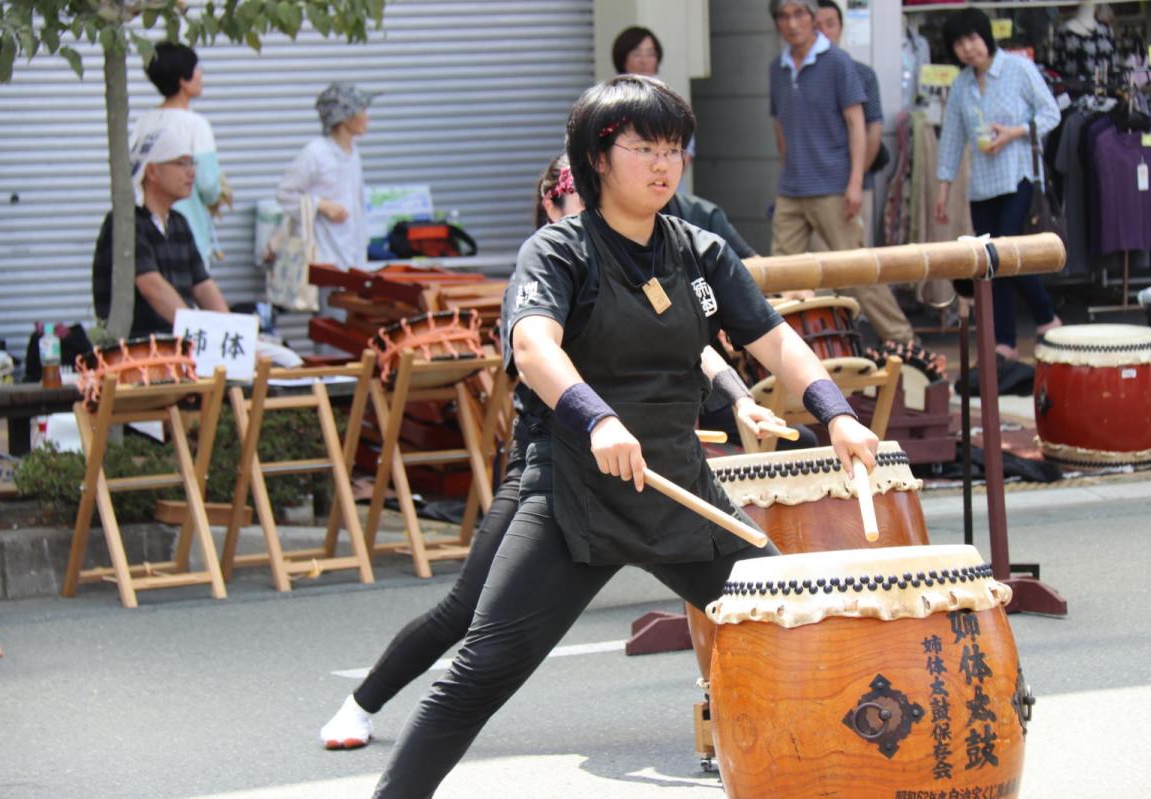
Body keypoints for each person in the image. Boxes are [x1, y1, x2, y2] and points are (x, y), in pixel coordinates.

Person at [368, 74, 878, 798]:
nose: (665, 165)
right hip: (576, 490)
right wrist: (598, 417)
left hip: (678, 486)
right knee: (482, 668)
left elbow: (774, 340)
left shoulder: (700, 251)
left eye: (673, 148)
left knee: (791, 615)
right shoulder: (557, 251)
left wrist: (836, 412)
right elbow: (534, 348)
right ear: (598, 158)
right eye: (645, 148)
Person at [318, 153, 784, 750]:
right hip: (554, 465)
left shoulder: (637, 254)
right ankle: (362, 703)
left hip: (640, 465)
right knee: (468, 610)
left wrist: (739, 398)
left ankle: (752, 726)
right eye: (583, 201)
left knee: (755, 592)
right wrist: (604, 418)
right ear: (553, 204)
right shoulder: (546, 264)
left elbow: (691, 344)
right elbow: (539, 354)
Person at [768, 0, 915, 346]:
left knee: (857, 273)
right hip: (791, 188)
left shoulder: (837, 61)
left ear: (811, 18)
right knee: (777, 276)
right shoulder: (777, 67)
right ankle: (782, 353)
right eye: (783, 16)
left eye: (799, 14)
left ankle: (905, 342)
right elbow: (779, 124)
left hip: (833, 186)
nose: (792, 23)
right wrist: (788, 167)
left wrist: (855, 183)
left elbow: (856, 123)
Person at [933, 8, 1062, 360]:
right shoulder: (961, 85)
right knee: (990, 264)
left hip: (1019, 176)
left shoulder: (1018, 69)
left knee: (1005, 256)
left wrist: (1014, 132)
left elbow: (1051, 113)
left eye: (972, 38)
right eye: (959, 43)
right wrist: (943, 191)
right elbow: (952, 140)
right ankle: (1005, 341)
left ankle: (1046, 316)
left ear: (986, 36)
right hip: (982, 187)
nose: (967, 48)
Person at [92, 124, 229, 338]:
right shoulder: (125, 223)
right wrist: (195, 330)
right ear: (152, 171)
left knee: (275, 354)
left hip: (180, 340)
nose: (191, 172)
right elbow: (151, 286)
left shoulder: (179, 223)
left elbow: (203, 285)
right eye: (181, 163)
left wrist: (231, 330)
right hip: (142, 344)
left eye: (192, 163)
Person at [131, 42, 228, 270]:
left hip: (145, 232)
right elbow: (208, 184)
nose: (201, 74)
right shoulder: (195, 125)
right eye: (197, 68)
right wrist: (219, 194)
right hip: (186, 234)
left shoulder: (143, 122)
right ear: (184, 79)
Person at [276, 82, 374, 272]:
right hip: (323, 254)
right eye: (362, 110)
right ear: (344, 117)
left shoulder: (353, 153)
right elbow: (284, 194)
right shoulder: (315, 153)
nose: (366, 117)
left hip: (352, 251)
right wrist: (321, 205)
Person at [814, 0, 883, 248]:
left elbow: (873, 130)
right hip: (814, 188)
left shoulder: (862, 73)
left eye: (830, 24)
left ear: (841, 28)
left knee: (856, 257)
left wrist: (855, 179)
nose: (824, 32)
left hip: (854, 185)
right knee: (816, 259)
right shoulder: (798, 74)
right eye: (817, 26)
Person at [611, 25, 695, 162]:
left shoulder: (671, 99)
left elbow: (687, 148)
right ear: (622, 58)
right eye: (636, 54)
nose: (644, 61)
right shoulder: (609, 98)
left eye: (650, 54)